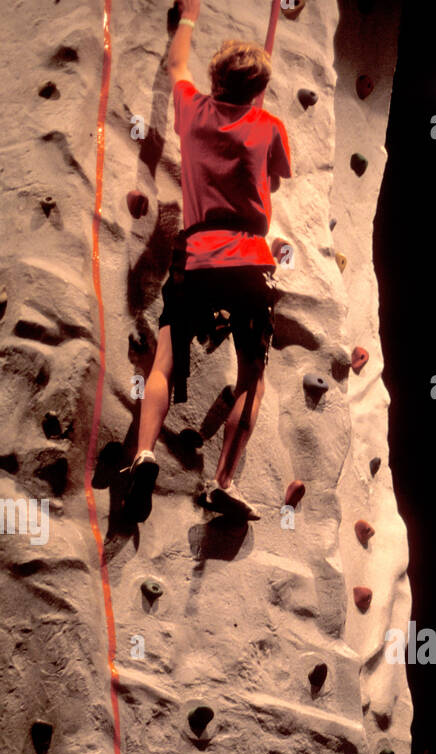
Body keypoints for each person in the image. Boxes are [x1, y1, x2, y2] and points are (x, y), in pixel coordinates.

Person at [123, 0, 292, 523]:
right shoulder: (269, 126)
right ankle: (223, 482)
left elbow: (176, 67)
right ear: (257, 88)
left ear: (217, 78)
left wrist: (189, 17)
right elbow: (278, 178)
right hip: (248, 262)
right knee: (251, 375)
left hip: (196, 256)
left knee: (166, 358)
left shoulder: (193, 112)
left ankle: (143, 456)